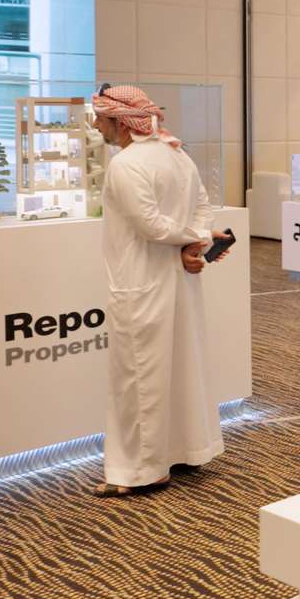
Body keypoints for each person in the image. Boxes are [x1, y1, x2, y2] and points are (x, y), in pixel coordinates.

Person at [88, 85, 230, 497]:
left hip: (141, 281)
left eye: (101, 118)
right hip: (176, 279)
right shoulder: (177, 155)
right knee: (178, 367)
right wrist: (196, 241)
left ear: (120, 122)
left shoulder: (127, 164)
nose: (96, 125)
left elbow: (149, 224)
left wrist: (195, 239)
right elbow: (202, 208)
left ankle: (142, 470)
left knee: (138, 378)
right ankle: (184, 451)